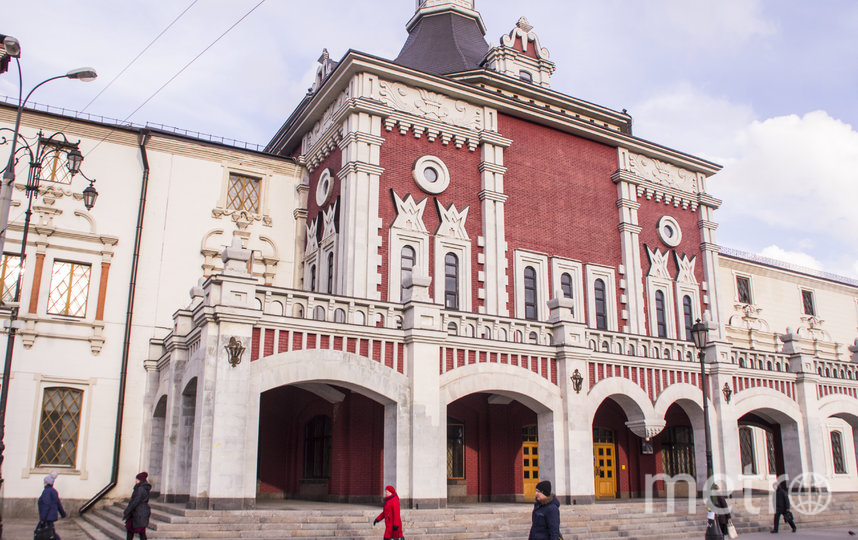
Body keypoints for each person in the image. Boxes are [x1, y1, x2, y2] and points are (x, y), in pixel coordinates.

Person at [123, 471, 152, 540]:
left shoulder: (140, 489)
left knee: (134, 530)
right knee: (138, 531)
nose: (136, 481)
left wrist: (127, 511)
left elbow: (135, 501)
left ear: (141, 480)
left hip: (138, 513)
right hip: (139, 512)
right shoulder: (142, 488)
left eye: (137, 479)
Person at [37, 471, 66, 539]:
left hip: (47, 517)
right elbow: (58, 503)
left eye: (44, 482)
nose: (43, 483)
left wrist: (42, 519)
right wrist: (63, 514)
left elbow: (46, 505)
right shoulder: (54, 491)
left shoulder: (46, 492)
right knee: (51, 531)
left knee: (43, 532)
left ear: (47, 483)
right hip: (51, 516)